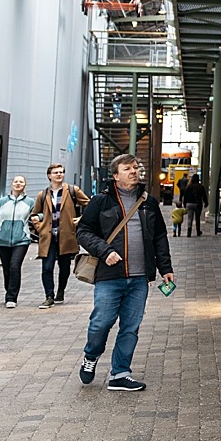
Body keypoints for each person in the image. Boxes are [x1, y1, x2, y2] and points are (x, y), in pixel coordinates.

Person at [76, 153, 174, 393]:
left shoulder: (148, 202)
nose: (134, 171)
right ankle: (91, 355)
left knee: (131, 326)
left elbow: (159, 236)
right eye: (128, 168)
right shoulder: (101, 202)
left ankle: (120, 373)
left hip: (141, 278)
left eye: (135, 167)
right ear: (116, 174)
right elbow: (83, 231)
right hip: (110, 275)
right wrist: (104, 250)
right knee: (102, 322)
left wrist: (166, 268)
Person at [31, 162, 89, 309]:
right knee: (47, 267)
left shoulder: (72, 190)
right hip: (48, 237)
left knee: (64, 267)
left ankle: (61, 291)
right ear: (49, 176)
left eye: (61, 172)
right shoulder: (42, 194)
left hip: (66, 236)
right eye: (56, 172)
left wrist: (81, 219)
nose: (59, 175)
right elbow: (34, 215)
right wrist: (40, 228)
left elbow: (90, 204)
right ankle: (48, 296)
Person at [0, 175, 36, 309]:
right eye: (16, 181)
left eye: (21, 182)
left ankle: (11, 297)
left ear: (25, 185)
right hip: (2, 240)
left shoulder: (30, 202)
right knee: (7, 269)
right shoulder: (2, 202)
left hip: (22, 240)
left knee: (15, 266)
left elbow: (39, 214)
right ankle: (9, 290)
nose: (18, 184)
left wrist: (38, 217)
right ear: (12, 184)